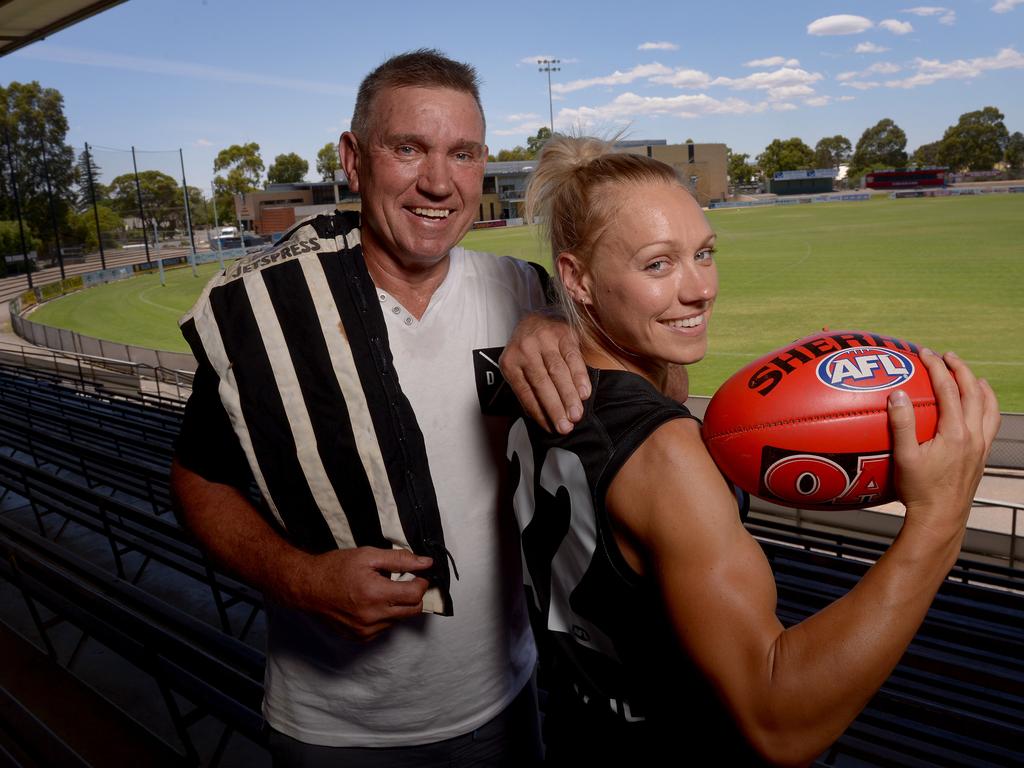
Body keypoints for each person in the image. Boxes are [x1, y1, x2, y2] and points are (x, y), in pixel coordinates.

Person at [508, 136, 1001, 765]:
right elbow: (779, 723)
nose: (700, 290)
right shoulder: (666, 459)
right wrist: (939, 522)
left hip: (584, 731)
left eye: (704, 253)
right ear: (575, 278)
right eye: (658, 264)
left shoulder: (534, 381)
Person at [170, 50, 587, 765]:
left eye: (463, 153)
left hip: (506, 703)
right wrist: (300, 578)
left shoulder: (524, 292)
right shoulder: (272, 312)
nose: (437, 181)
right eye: (408, 148)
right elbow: (197, 480)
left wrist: (559, 322)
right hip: (335, 731)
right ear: (354, 160)